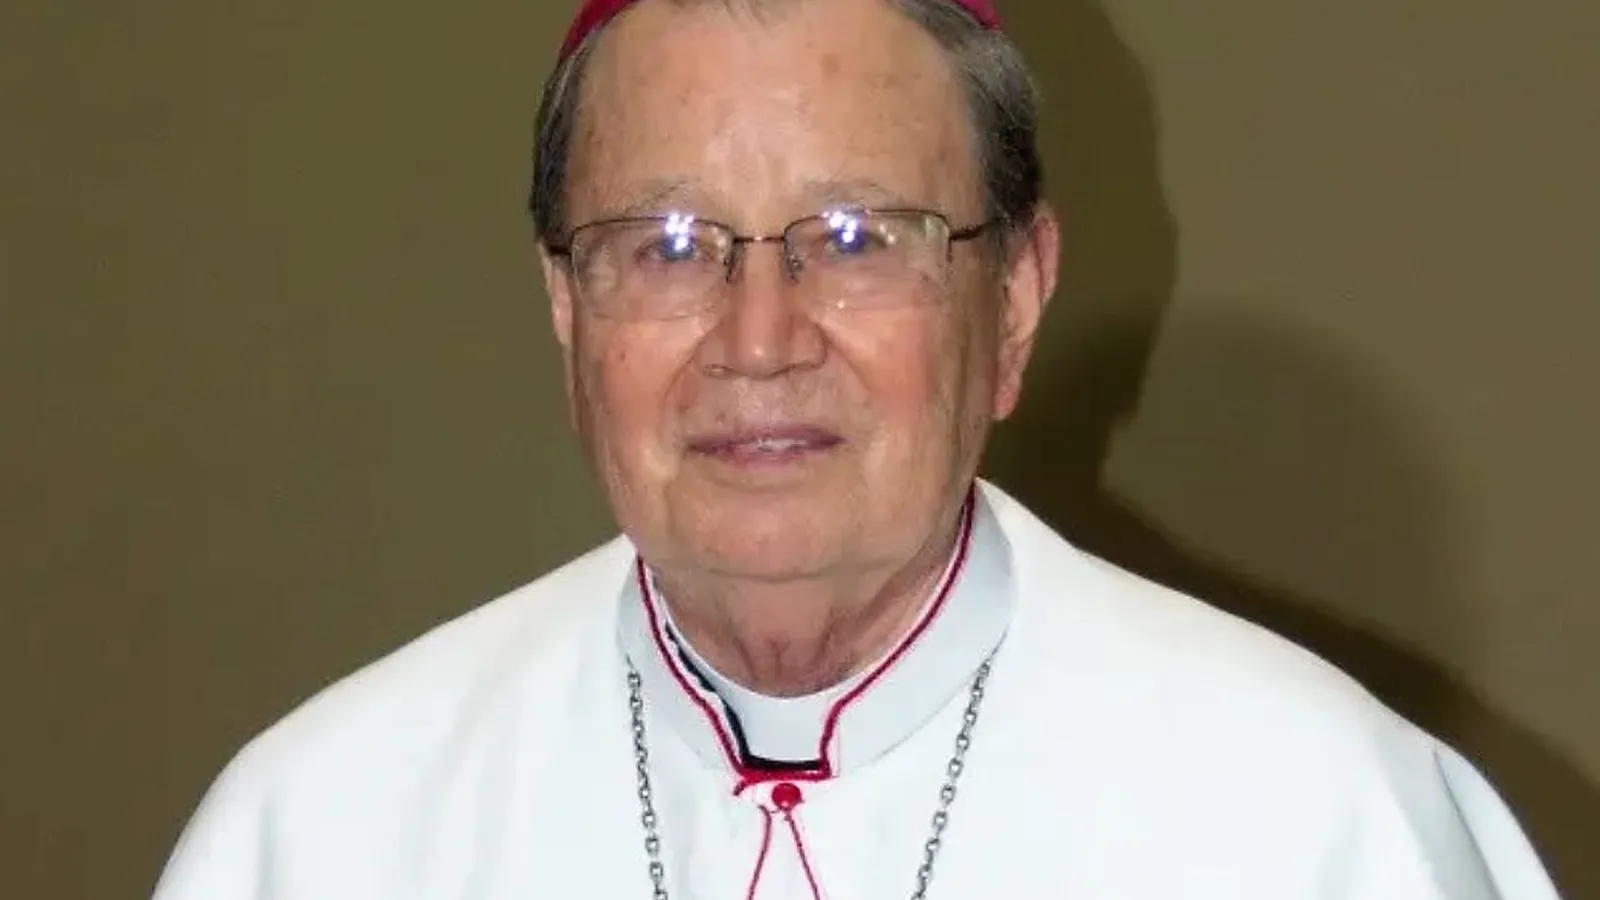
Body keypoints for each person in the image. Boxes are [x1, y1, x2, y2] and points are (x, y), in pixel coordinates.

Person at [152, 0, 1564, 897]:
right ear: (569, 313)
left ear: (1014, 300)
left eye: (857, 237)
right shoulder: (324, 831)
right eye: (667, 245)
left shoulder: (1317, 822)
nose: (759, 340)